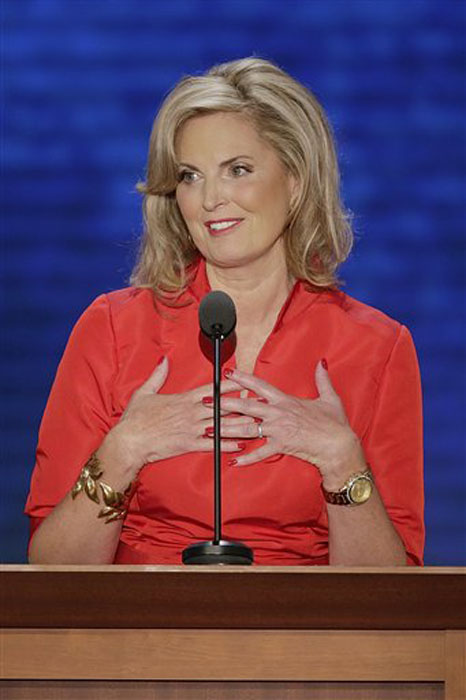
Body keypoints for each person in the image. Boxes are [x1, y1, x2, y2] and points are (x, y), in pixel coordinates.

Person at [25, 57, 424, 566]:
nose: (210, 199)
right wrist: (125, 450)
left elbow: (395, 598)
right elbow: (50, 572)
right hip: (135, 631)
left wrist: (340, 460)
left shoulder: (378, 347)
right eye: (190, 176)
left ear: (296, 180)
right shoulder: (112, 328)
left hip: (305, 637)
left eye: (238, 170)